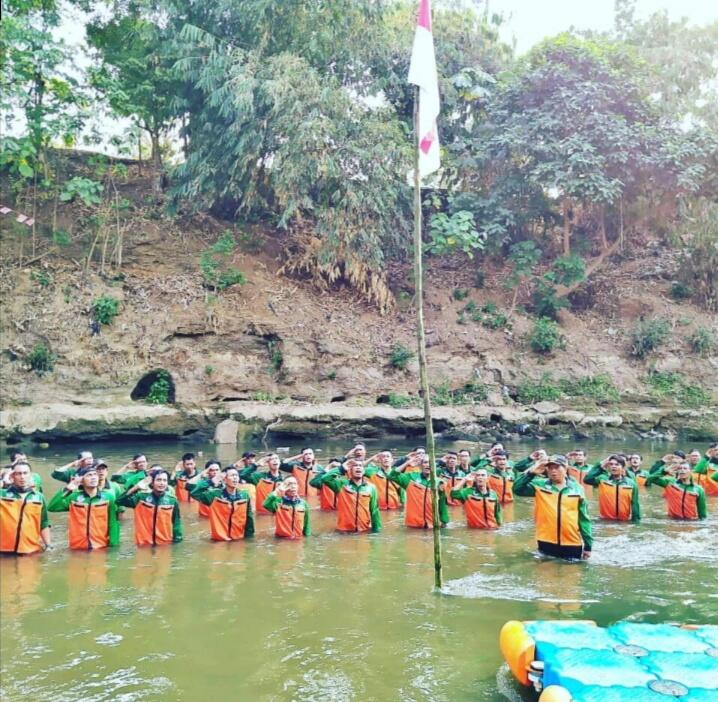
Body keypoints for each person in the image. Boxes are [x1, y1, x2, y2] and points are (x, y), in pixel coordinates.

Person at [514, 455, 592, 560]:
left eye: (557, 467)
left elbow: (584, 519)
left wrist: (588, 546)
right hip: (546, 540)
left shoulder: (577, 489)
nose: (553, 471)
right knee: (546, 573)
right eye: (550, 468)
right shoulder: (539, 485)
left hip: (571, 541)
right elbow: (517, 489)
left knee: (573, 573)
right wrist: (531, 473)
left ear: (565, 468)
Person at [47, 465, 121, 549]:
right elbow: (52, 507)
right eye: (89, 475)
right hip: (77, 546)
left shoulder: (108, 497)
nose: (93, 477)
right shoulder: (73, 497)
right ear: (81, 481)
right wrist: (67, 489)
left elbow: (113, 523)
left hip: (100, 546)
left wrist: (114, 547)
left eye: (95, 475)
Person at [117, 467, 183, 546]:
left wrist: (177, 541)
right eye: (159, 480)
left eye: (164, 480)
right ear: (152, 483)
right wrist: (136, 487)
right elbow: (119, 501)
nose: (162, 483)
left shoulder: (172, 500)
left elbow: (176, 522)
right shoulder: (141, 498)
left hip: (164, 544)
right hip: (143, 544)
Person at [0, 462, 51, 555]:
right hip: (3, 550)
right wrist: (4, 480)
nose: (22, 477)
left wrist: (48, 545)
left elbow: (44, 523)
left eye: (25, 473)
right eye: (18, 473)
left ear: (30, 475)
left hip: (30, 550)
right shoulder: (2, 494)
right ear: (13, 475)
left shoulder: (38, 497)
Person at [191, 466, 255, 541]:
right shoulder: (215, 495)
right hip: (220, 542)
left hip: (238, 540)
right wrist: (211, 482)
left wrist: (249, 539)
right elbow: (194, 493)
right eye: (232, 475)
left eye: (236, 475)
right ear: (224, 479)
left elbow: (249, 518)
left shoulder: (244, 495)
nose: (235, 478)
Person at [318, 459, 381, 533]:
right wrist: (342, 468)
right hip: (344, 531)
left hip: (364, 530)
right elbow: (325, 478)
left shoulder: (371, 487)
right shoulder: (341, 485)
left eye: (360, 466)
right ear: (350, 471)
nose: (358, 467)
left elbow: (374, 511)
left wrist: (376, 532)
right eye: (355, 466)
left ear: (364, 471)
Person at [388, 455, 449, 529]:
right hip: (413, 525)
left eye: (431, 463)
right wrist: (408, 462)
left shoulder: (439, 482)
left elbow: (442, 504)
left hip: (432, 525)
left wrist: (444, 521)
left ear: (435, 466)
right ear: (420, 465)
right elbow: (392, 475)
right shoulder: (410, 478)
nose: (428, 465)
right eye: (425, 462)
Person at [583, 455, 641, 522]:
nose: (613, 466)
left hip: (624, 522)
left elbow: (635, 504)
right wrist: (600, 466)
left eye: (617, 464)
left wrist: (635, 523)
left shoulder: (631, 483)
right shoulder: (602, 479)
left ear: (623, 467)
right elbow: (587, 479)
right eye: (611, 464)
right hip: (604, 521)